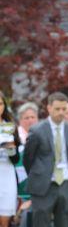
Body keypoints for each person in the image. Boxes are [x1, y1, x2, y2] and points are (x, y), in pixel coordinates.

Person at [23, 92, 68, 227]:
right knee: (41, 223)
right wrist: (39, 174)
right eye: (57, 109)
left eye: (64, 109)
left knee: (65, 222)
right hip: (43, 185)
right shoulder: (36, 130)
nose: (61, 113)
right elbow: (28, 159)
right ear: (49, 108)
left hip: (66, 183)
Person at [0, 91, 20, 227]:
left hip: (6, 175)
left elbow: (16, 159)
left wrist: (11, 149)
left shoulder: (10, 126)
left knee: (5, 220)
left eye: (0, 104)